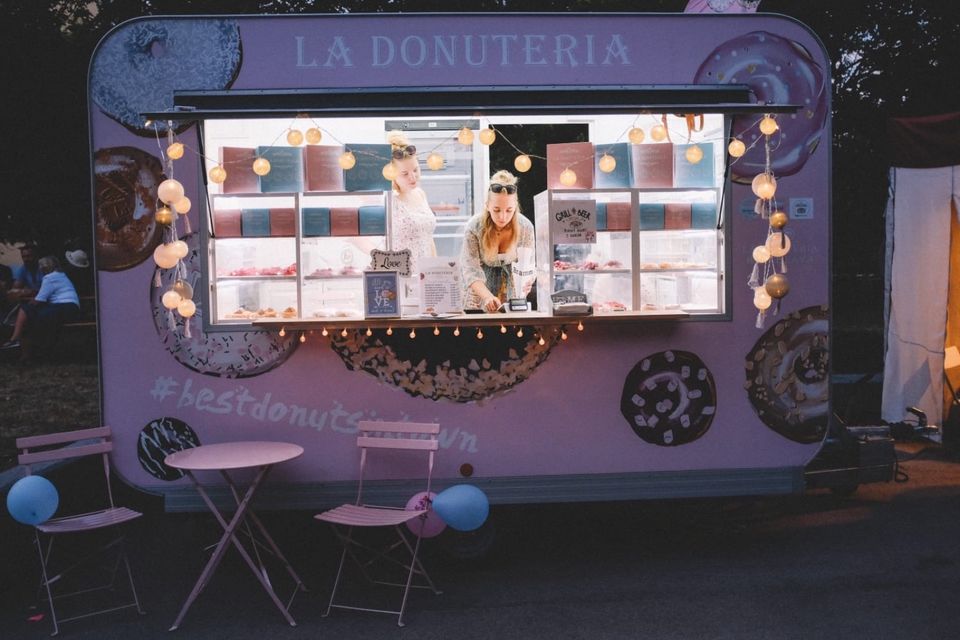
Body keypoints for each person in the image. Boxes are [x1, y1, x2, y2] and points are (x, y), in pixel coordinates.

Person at [460, 170, 536, 313]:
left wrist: (527, 282)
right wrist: (487, 297)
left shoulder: (525, 227)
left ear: (516, 207)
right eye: (496, 210)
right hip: (479, 293)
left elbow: (529, 265)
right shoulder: (474, 227)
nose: (502, 216)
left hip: (513, 292)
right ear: (487, 205)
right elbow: (470, 270)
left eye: (509, 210)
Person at [1, 255, 80, 360]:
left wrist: (27, 302)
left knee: (28, 312)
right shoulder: (60, 275)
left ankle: (18, 341)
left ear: (44, 267)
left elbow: (39, 299)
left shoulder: (49, 278)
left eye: (40, 266)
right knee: (29, 312)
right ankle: (18, 342)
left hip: (64, 307)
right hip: (71, 308)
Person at [387, 130, 436, 280]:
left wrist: (438, 272)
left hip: (427, 277)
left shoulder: (420, 194)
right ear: (392, 174)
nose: (413, 177)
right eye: (405, 174)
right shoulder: (390, 200)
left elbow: (429, 239)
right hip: (402, 278)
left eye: (415, 170)